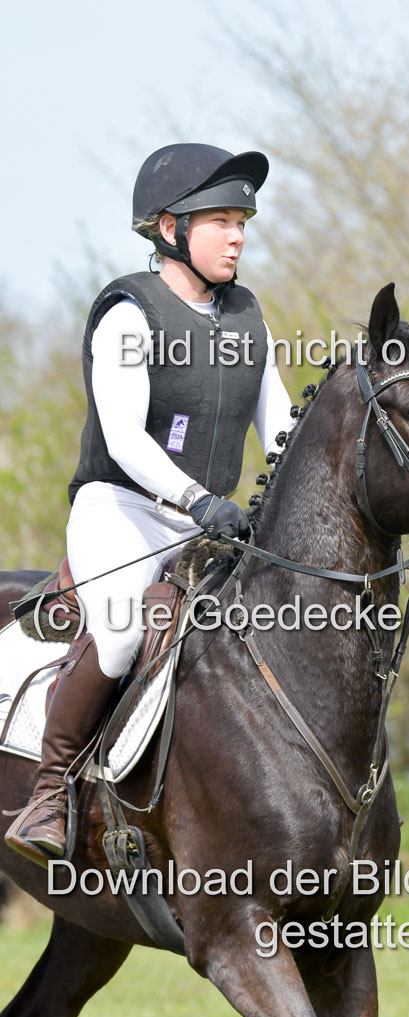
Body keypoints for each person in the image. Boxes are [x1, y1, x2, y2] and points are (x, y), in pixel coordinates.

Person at [5, 143, 295, 868]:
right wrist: (200, 500)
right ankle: (50, 790)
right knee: (123, 635)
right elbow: (126, 437)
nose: (237, 236)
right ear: (170, 228)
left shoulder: (247, 317)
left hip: (209, 523)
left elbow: (282, 427)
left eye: (242, 223)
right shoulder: (130, 316)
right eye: (221, 221)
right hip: (122, 511)